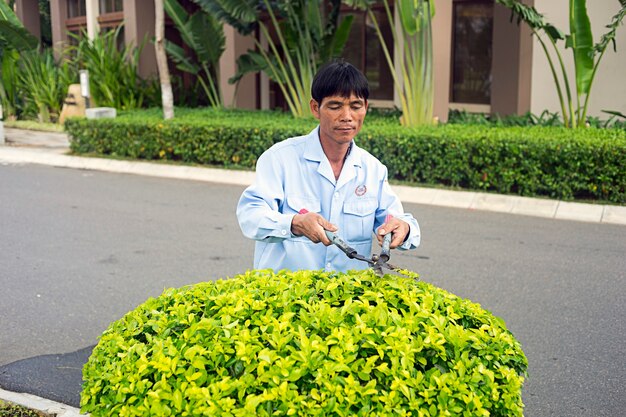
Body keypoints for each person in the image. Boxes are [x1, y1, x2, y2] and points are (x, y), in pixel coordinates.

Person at [236, 60, 420, 272]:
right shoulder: (280, 159)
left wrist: (402, 228)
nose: (347, 117)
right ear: (316, 108)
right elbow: (251, 215)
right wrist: (294, 223)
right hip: (287, 297)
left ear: (365, 108)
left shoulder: (373, 169)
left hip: (348, 300)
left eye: (355, 106)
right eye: (335, 106)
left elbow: (395, 219)